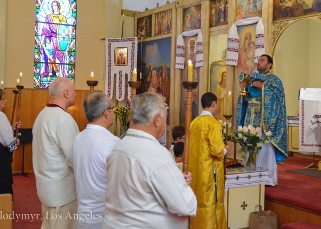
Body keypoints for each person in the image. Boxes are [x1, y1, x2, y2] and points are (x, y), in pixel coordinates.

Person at [104, 92, 197, 229]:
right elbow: (186, 205)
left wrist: (176, 179)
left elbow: (138, 189)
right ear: (157, 119)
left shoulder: (118, 147)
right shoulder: (156, 154)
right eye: (165, 117)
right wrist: (182, 187)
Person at [32, 77, 79, 229]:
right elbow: (74, 157)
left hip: (46, 186)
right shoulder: (63, 119)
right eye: (74, 91)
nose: (76, 94)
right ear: (66, 93)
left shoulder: (42, 114)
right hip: (61, 191)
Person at [237, 54, 288, 184]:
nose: (258, 63)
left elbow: (278, 99)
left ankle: (266, 178)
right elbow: (246, 99)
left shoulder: (274, 80)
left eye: (262, 60)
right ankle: (250, 175)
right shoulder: (251, 78)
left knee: (264, 148)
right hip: (250, 118)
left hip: (264, 122)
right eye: (258, 60)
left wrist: (263, 87)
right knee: (250, 148)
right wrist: (244, 90)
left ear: (269, 65)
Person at [73, 92, 120, 229]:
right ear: (106, 113)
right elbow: (121, 181)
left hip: (82, 213)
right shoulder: (111, 142)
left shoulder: (78, 138)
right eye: (112, 109)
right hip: (102, 217)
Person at [189, 92, 229, 229]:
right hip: (209, 173)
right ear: (213, 103)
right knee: (210, 202)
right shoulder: (213, 124)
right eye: (217, 104)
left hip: (196, 172)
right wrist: (226, 149)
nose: (217, 107)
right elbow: (217, 151)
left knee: (198, 200)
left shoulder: (194, 123)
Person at [41, 0, 70, 78]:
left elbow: (64, 30)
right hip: (50, 39)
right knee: (50, 55)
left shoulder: (62, 17)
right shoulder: (48, 17)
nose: (54, 7)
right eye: (53, 6)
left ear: (59, 6)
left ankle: (61, 73)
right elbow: (45, 28)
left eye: (56, 5)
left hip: (60, 41)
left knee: (62, 56)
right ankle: (50, 73)